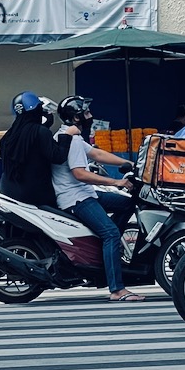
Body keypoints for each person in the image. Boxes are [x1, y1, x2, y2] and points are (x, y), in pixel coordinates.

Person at [49, 96, 139, 301]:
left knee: (128, 203)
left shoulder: (73, 136)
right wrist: (115, 182)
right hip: (76, 198)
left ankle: (106, 251)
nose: (91, 116)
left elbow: (97, 154)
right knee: (111, 233)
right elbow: (80, 174)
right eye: (86, 113)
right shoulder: (70, 139)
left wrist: (130, 164)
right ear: (76, 117)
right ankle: (117, 290)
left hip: (85, 193)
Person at [0, 92, 74, 209]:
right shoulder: (40, 132)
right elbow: (58, 157)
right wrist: (67, 135)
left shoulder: (10, 134)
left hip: (7, 190)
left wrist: (45, 127)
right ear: (37, 110)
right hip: (34, 195)